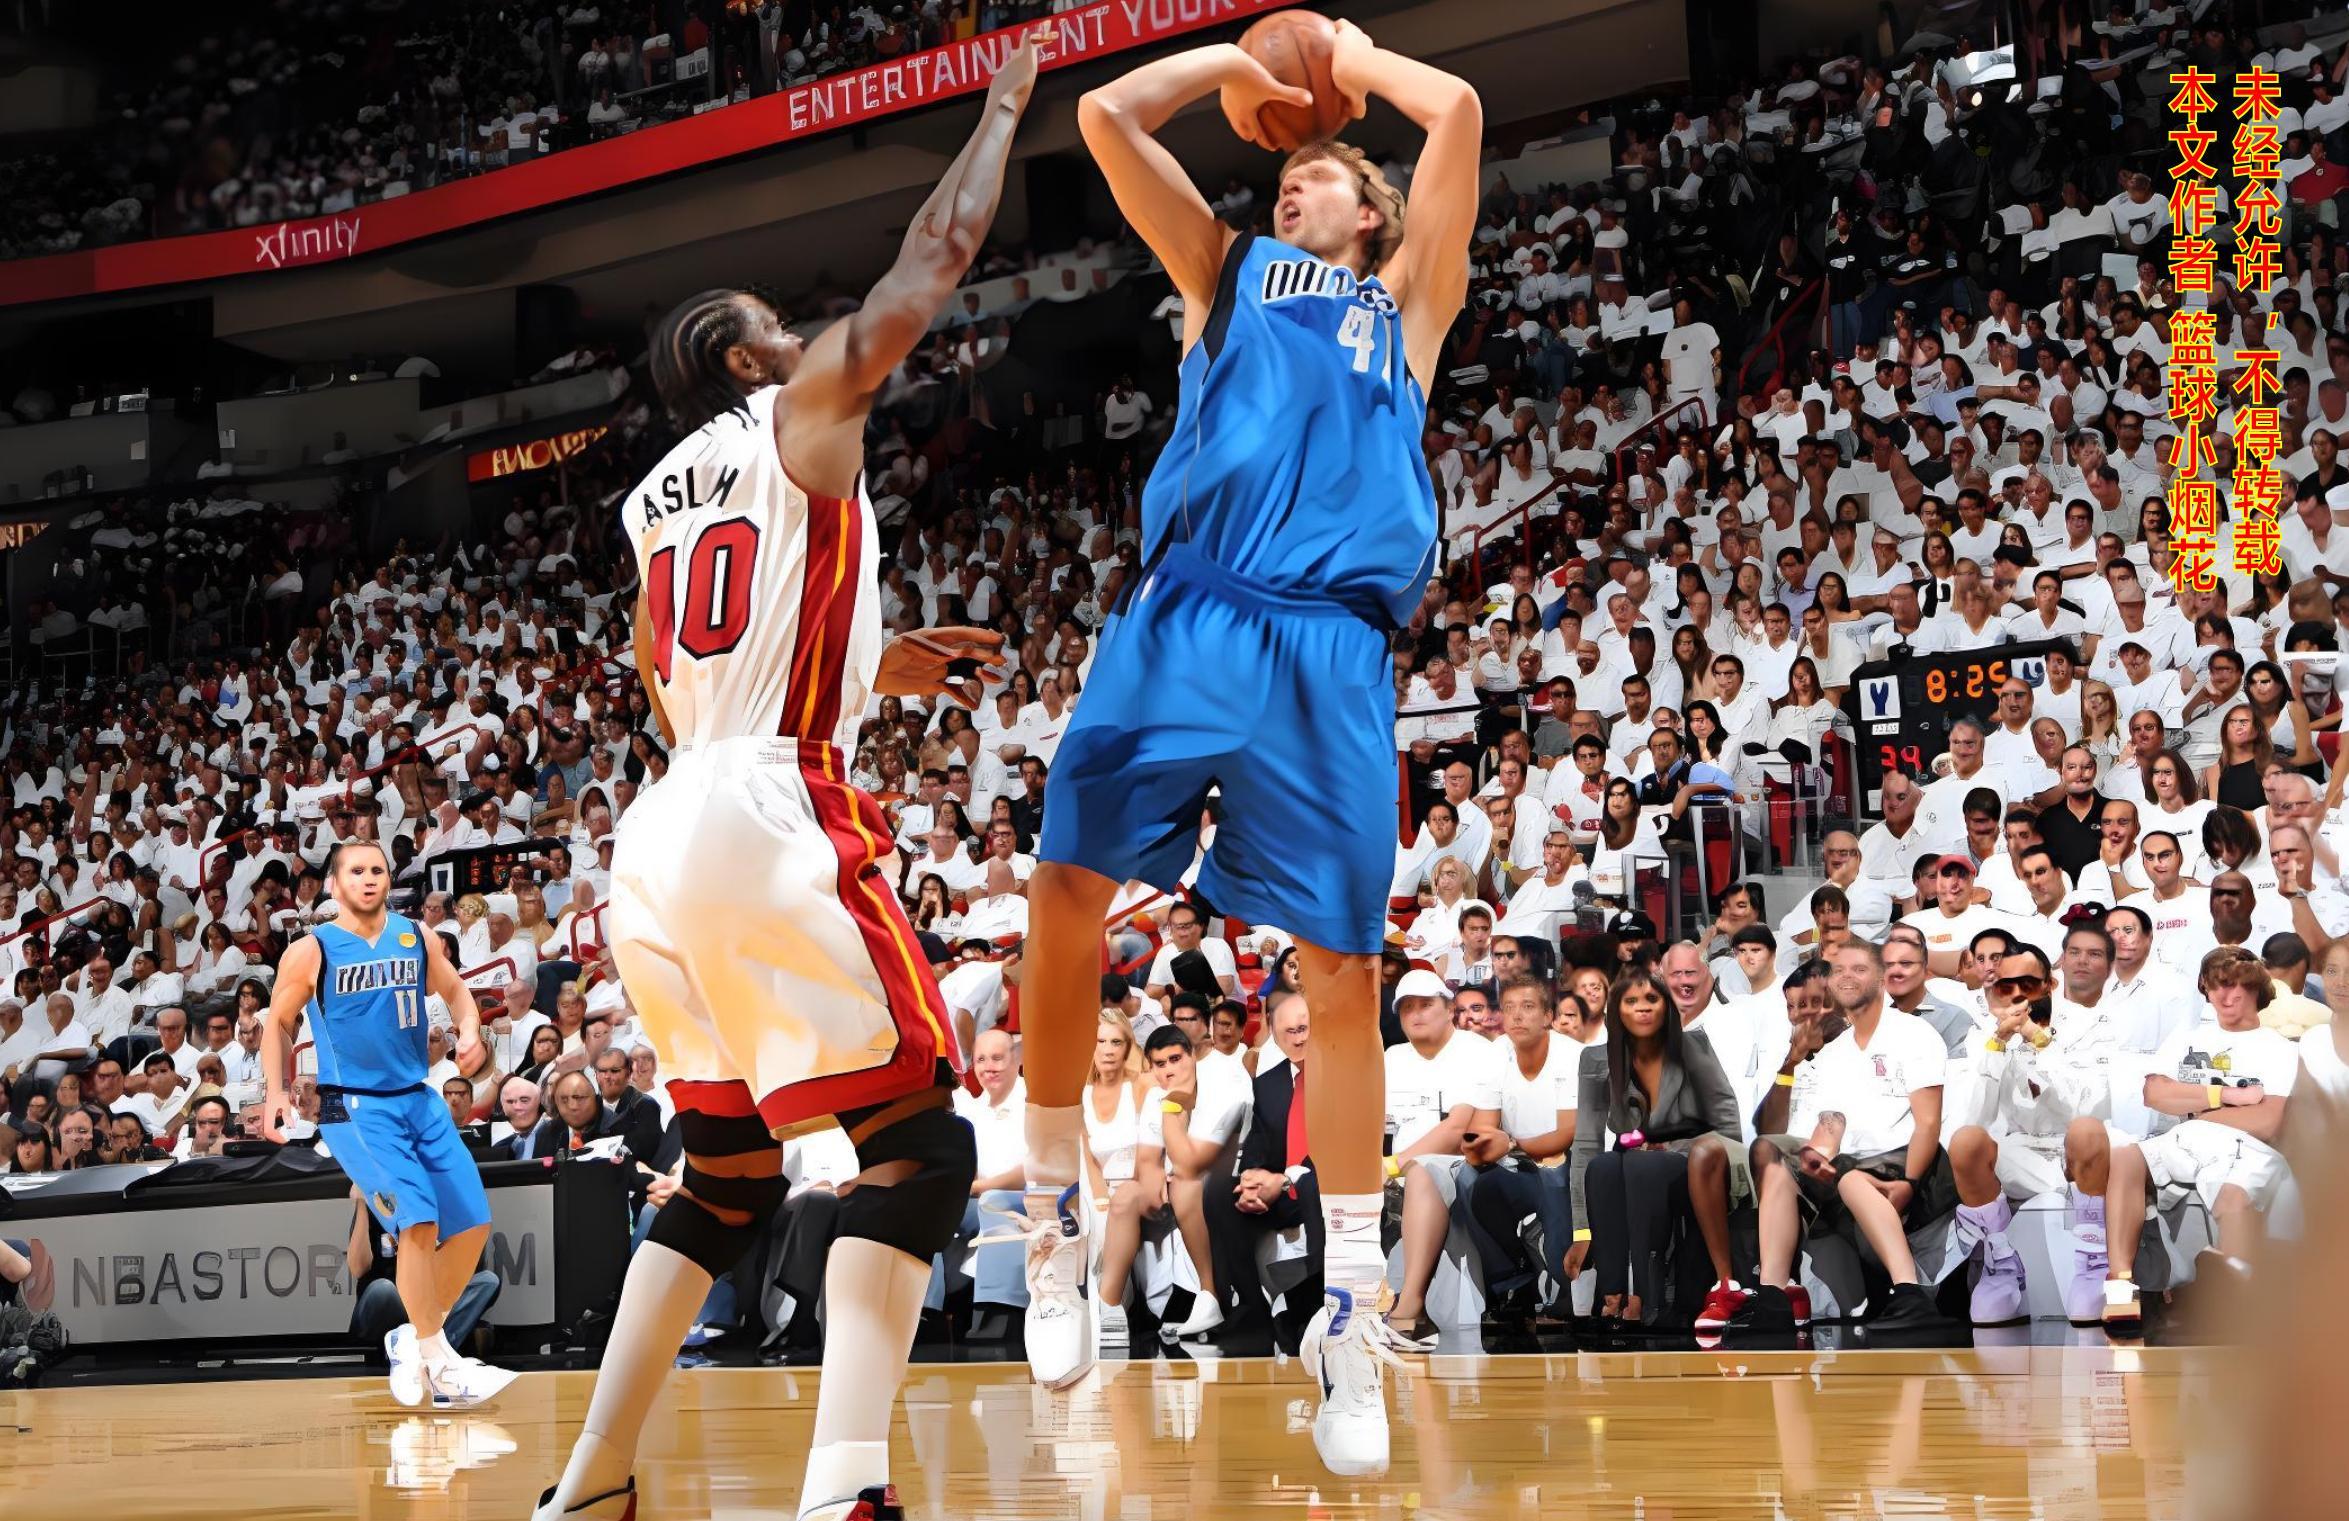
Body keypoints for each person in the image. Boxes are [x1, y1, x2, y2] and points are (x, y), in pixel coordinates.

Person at [535, 35, 1045, 1521]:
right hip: (769, 802)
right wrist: (1001, 111)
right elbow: (928, 264)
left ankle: (591, 1485)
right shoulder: (799, 412)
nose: (803, 330)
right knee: (922, 1146)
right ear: (748, 358)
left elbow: (681, 674)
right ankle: (845, 1487)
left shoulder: (649, 501)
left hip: (661, 828)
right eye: (778, 324)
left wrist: (878, 661)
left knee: (725, 1175)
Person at [1020, 16, 1480, 1475]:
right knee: (1063, 889)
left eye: (1324, 177)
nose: (1296, 184)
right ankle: (1050, 1220)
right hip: (1193, 609)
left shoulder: (1406, 307)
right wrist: (1230, 67)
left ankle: (1346, 1310)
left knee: (1341, 975)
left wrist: (1349, 50)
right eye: (1288, 179)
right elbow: (1106, 121)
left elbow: (1459, 109)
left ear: (1373, 213)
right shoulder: (1228, 270)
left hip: (1331, 645)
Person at [260, 841, 512, 1409]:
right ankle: (437, 1359)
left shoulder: (414, 936)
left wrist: (470, 1030)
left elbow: (456, 991)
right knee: (418, 1221)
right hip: (354, 1106)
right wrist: (275, 1090)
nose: (369, 878)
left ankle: (414, 1338)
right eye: (356, 870)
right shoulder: (311, 949)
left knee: (473, 1223)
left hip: (417, 1097)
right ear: (334, 885)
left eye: (377, 869)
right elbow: (278, 1023)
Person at [2066, 947, 2300, 1333]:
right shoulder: (2188, 1038)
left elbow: (2268, 1121)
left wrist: (2198, 1110)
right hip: (2185, 1139)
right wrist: (2226, 1095)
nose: (2225, 996)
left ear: (2256, 988)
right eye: (2216, 986)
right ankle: (2121, 1288)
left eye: (2236, 985)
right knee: (2125, 1157)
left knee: (2233, 1197)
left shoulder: (2279, 1048)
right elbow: (2155, 1094)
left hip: (2247, 1149)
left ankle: (2234, 1298)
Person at [1732, 940, 1953, 1331]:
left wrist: (1909, 1182)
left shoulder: (1914, 1033)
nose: (1847, 976)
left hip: (1910, 1162)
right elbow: (1831, 1121)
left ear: (1882, 979)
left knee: (1852, 1179)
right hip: (1851, 1163)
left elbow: (1928, 1123)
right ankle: (1773, 1295)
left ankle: (1910, 1295)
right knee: (1775, 1156)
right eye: (1838, 970)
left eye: (1859, 969)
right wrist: (1816, 1154)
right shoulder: (1834, 1054)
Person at [1566, 967, 1744, 1331]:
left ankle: (1646, 1295)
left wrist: (1706, 1159)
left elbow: (1726, 1120)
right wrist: (1582, 1232)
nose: (1643, 1008)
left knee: (1639, 1165)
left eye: (1651, 999)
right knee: (1602, 1166)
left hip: (1694, 1161)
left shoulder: (1692, 1046)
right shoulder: (1596, 1060)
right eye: (1631, 1001)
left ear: (1666, 1007)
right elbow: (1585, 1143)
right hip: (1634, 1162)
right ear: (1617, 1011)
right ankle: (1612, 1290)